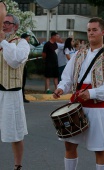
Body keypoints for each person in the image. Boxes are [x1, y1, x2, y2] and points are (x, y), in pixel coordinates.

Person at [53, 17, 104, 170]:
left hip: (97, 108)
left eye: (94, 30)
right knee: (69, 146)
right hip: (75, 107)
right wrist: (61, 88)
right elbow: (67, 77)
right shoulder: (78, 55)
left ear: (103, 32)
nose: (91, 33)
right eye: (89, 30)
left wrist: (91, 93)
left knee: (99, 149)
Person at [0, 13, 30, 170]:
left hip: (11, 92)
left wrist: (3, 42)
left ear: (16, 27)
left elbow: (14, 61)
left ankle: (17, 165)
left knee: (15, 133)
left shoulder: (22, 43)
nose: (4, 25)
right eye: (2, 22)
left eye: (7, 23)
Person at [21, 33, 31, 103]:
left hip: (24, 65)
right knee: (21, 82)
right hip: (21, 66)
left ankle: (22, 96)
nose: (29, 39)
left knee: (23, 83)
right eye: (28, 37)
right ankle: (22, 97)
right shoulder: (23, 45)